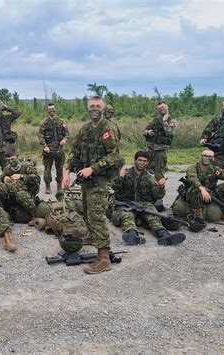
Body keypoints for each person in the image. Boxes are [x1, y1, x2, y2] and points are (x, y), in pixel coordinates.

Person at [62, 96, 121, 274]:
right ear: (88, 109)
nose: (94, 108)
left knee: (96, 215)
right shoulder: (85, 129)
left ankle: (103, 258)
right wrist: (66, 172)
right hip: (86, 179)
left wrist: (92, 169)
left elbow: (113, 156)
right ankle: (92, 236)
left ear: (103, 109)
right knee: (87, 209)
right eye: (91, 106)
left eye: (98, 106)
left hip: (100, 179)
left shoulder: (108, 129)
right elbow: (75, 150)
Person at [111, 151, 186, 246]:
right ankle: (132, 235)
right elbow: (114, 187)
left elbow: (158, 196)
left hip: (144, 204)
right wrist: (120, 177)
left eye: (144, 161)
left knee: (153, 216)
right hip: (126, 203)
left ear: (147, 163)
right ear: (135, 160)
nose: (142, 163)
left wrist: (161, 187)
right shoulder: (125, 173)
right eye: (139, 160)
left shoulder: (150, 178)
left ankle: (164, 235)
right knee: (127, 216)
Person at [172, 150, 224, 223]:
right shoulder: (193, 167)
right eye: (205, 156)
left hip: (211, 192)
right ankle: (198, 217)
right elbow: (193, 178)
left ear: (213, 158)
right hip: (193, 192)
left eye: (210, 156)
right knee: (196, 189)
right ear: (201, 157)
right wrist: (201, 188)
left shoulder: (215, 169)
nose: (207, 158)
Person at [0, 147, 41, 223]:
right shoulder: (8, 168)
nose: (11, 162)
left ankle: (34, 215)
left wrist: (21, 176)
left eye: (12, 159)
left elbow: (37, 178)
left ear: (17, 156)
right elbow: (1, 178)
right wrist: (4, 178)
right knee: (1, 192)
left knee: (21, 194)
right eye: (8, 160)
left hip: (28, 190)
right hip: (14, 190)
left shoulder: (26, 166)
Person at [37, 103, 69, 194]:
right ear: (47, 110)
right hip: (48, 151)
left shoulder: (61, 121)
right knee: (47, 169)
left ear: (55, 109)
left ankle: (59, 186)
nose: (51, 110)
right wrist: (45, 146)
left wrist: (64, 140)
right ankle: (47, 186)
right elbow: (40, 135)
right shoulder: (44, 122)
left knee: (59, 168)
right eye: (49, 109)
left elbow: (67, 134)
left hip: (59, 150)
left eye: (53, 109)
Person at [143, 101, 175, 183]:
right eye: (160, 108)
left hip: (160, 150)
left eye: (163, 107)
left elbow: (169, 132)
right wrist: (148, 133)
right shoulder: (155, 120)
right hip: (150, 148)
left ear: (167, 107)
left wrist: (164, 121)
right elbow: (144, 131)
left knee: (159, 172)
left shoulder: (171, 121)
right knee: (142, 167)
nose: (162, 109)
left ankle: (158, 189)